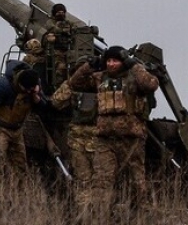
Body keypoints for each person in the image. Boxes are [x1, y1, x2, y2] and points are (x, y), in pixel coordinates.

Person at [67, 46, 160, 211]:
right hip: (105, 139)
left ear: (122, 61)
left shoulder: (134, 78)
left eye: (115, 60)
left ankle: (141, 215)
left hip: (131, 139)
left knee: (136, 181)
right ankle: (99, 216)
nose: (111, 64)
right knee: (102, 181)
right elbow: (74, 83)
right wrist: (89, 66)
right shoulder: (99, 78)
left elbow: (151, 84)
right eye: (108, 61)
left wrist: (134, 65)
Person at [0, 60, 50, 193]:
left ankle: (18, 199)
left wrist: (36, 95)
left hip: (17, 130)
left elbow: (44, 107)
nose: (27, 91)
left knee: (20, 167)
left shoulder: (34, 85)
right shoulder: (3, 86)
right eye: (26, 89)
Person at [51, 57, 107, 218]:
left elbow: (56, 101)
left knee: (87, 184)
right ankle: (93, 217)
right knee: (93, 184)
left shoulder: (79, 86)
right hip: (91, 142)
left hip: (85, 142)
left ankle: (87, 217)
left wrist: (72, 82)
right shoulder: (102, 85)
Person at [44, 3, 74, 87]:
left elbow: (73, 29)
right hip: (56, 50)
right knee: (60, 69)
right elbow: (53, 29)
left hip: (68, 49)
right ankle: (59, 87)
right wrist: (63, 31)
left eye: (62, 12)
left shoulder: (68, 23)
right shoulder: (50, 22)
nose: (61, 14)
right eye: (58, 12)